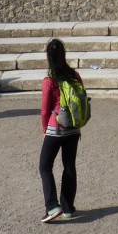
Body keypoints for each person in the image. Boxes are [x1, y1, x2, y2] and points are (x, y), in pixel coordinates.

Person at [39, 38, 83, 223]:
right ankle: (68, 207)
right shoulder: (74, 75)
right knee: (69, 166)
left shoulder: (50, 80)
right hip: (74, 128)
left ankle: (52, 206)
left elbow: (45, 108)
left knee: (44, 166)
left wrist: (44, 128)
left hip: (56, 127)